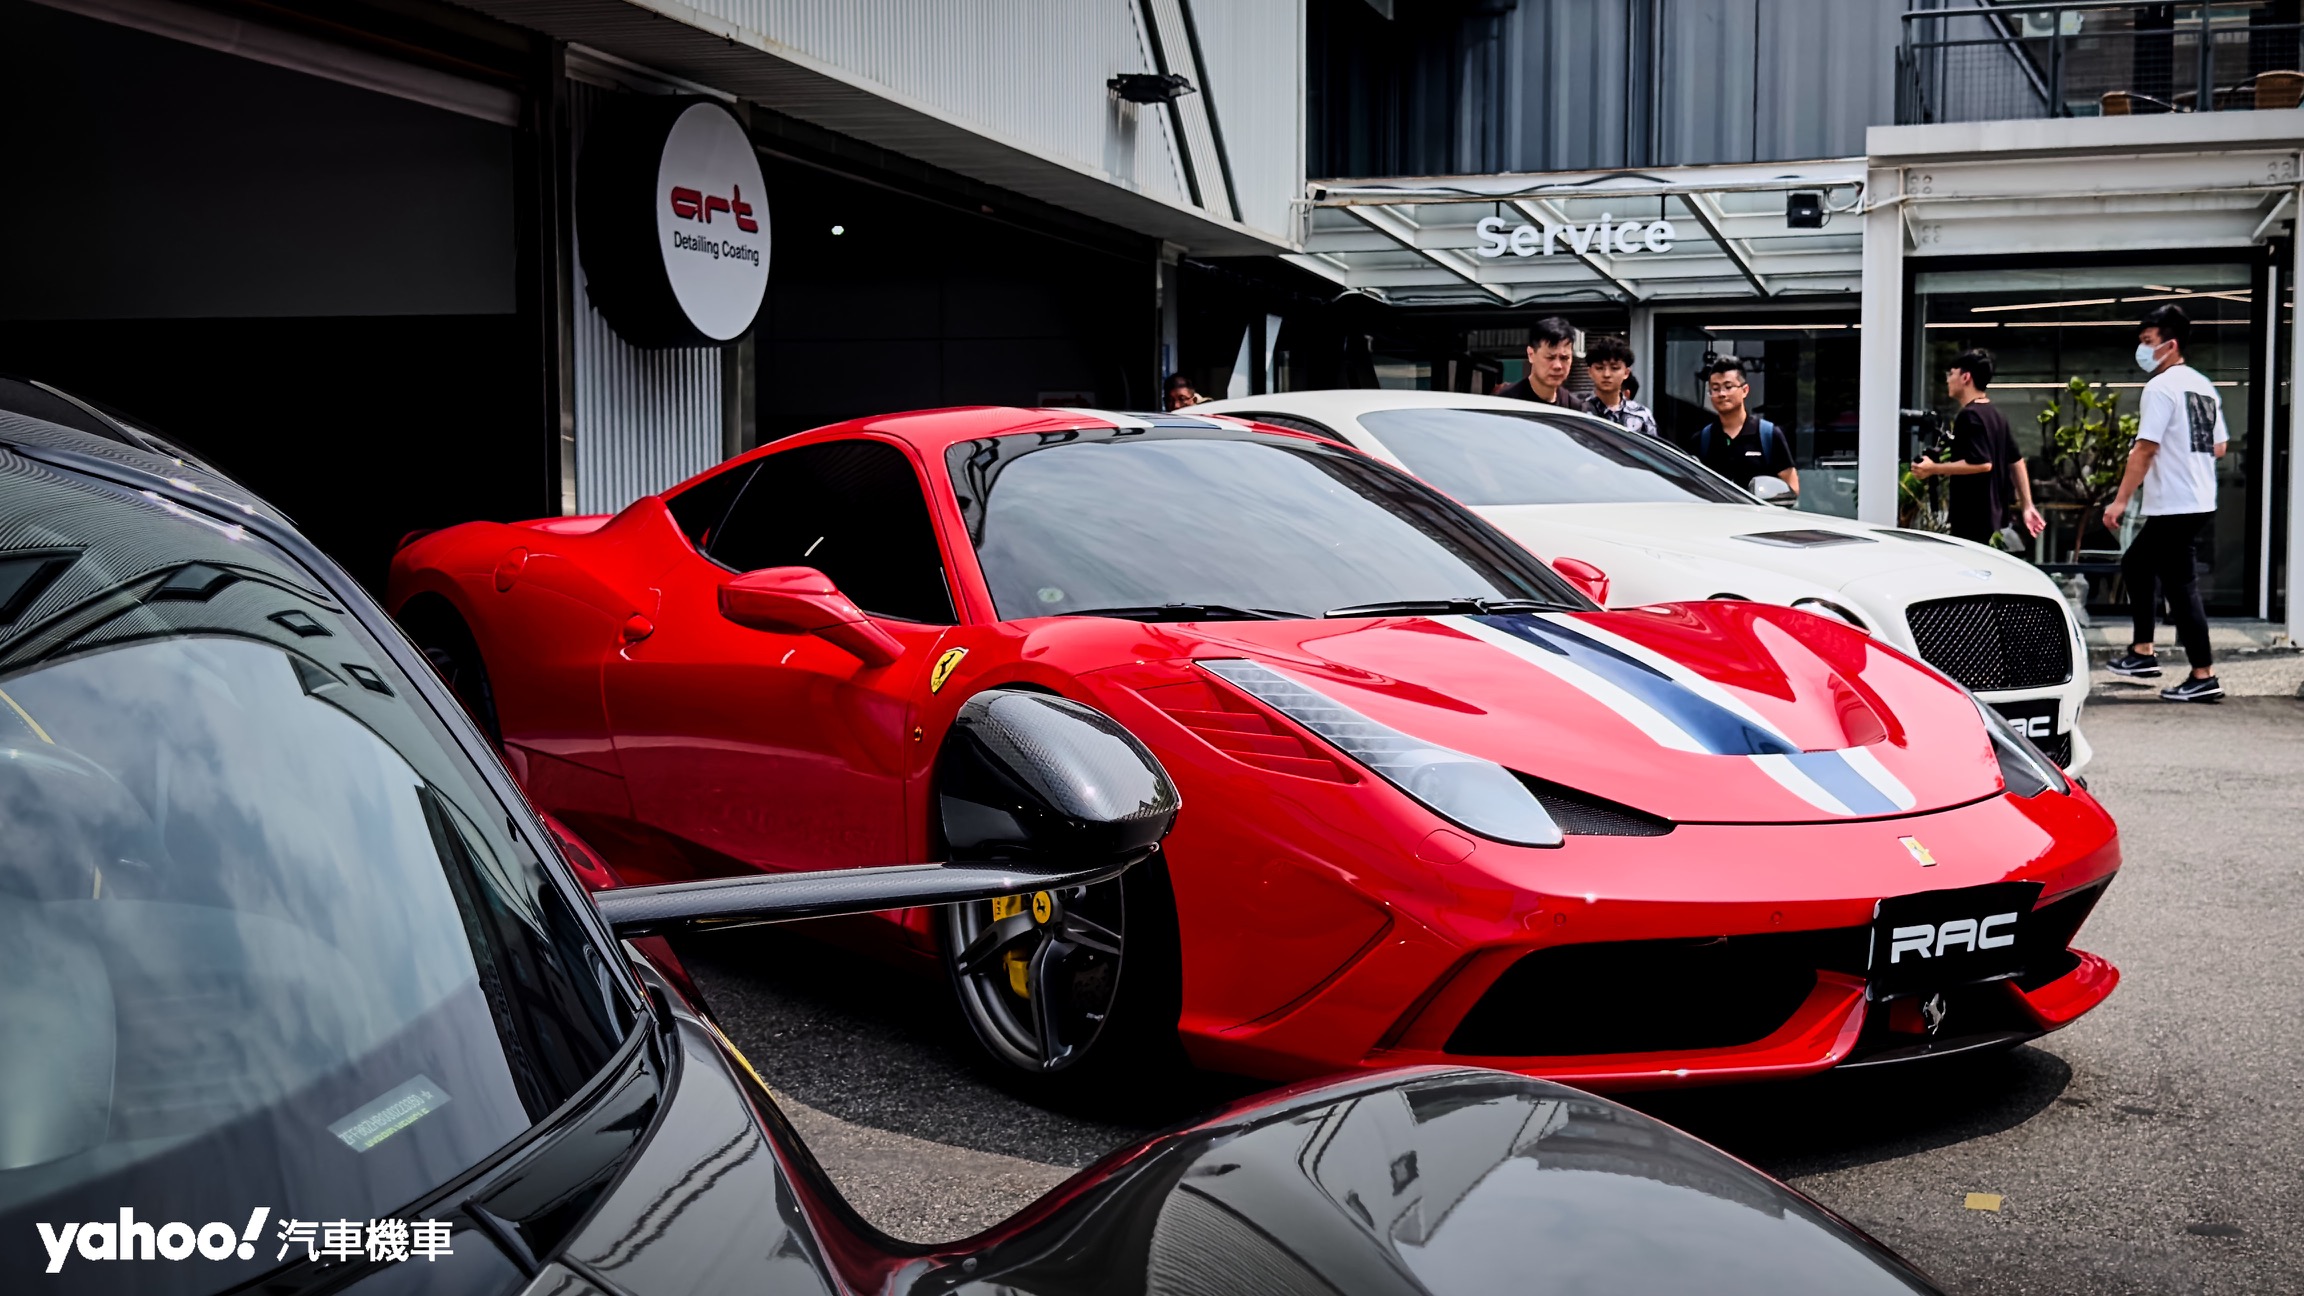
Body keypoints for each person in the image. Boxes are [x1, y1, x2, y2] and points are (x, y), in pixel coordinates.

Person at [2103, 305, 2227, 703]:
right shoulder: (2203, 385)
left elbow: (2144, 450)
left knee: (2175, 583)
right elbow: (2219, 446)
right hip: (2198, 497)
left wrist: (2119, 502)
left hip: (2175, 502)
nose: (2142, 350)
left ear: (2169, 345)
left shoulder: (2160, 387)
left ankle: (2198, 672)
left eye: (2147, 342)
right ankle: (2146, 653)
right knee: (2145, 566)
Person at [1912, 348, 2044, 546]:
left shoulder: (1970, 415)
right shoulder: (1996, 415)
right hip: (1990, 516)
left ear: (1965, 377)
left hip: (1971, 514)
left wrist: (1933, 469)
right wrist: (2027, 505)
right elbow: (2016, 460)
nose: (1948, 380)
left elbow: (1982, 463)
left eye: (1952, 374)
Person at [1693, 356, 1796, 499]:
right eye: (1715, 389)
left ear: (1745, 390)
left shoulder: (1768, 435)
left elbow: (1791, 486)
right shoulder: (1703, 439)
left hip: (1759, 518)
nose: (1722, 394)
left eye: (1728, 387)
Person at [1498, 317, 1597, 413]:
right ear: (1531, 354)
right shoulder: (1506, 403)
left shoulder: (1573, 407)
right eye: (1550, 357)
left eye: (1564, 358)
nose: (1557, 366)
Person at [1585, 335, 1659, 438]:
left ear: (1626, 373)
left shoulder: (1641, 415)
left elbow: (1652, 452)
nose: (1607, 374)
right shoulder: (1578, 410)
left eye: (1614, 368)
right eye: (1599, 368)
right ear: (1590, 372)